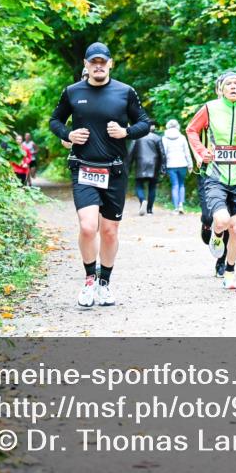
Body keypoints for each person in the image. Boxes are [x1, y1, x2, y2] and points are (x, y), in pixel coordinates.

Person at [49, 42, 151, 307]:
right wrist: (67, 135)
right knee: (87, 226)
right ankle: (89, 281)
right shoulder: (72, 92)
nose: (98, 66)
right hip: (83, 167)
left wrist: (126, 132)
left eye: (102, 62)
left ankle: (104, 283)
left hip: (114, 170)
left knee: (108, 231)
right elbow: (55, 121)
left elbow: (144, 123)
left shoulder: (125, 92)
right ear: (85, 64)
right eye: (93, 62)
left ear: (110, 64)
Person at [186, 71, 236, 289]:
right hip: (215, 176)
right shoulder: (210, 108)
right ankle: (217, 236)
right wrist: (202, 152)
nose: (233, 86)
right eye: (228, 83)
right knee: (220, 220)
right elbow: (191, 129)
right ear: (221, 88)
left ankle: (229, 271)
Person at [130, 124, 164, 215]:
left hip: (140, 164)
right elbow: (162, 154)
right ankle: (149, 210)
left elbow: (131, 153)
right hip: (154, 165)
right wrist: (163, 167)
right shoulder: (157, 138)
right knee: (152, 187)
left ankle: (142, 200)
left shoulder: (136, 138)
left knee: (139, 185)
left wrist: (128, 166)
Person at [161, 119, 192, 214]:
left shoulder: (164, 138)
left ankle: (175, 208)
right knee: (181, 184)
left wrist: (163, 166)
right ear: (177, 126)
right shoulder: (182, 137)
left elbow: (164, 153)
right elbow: (187, 152)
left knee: (175, 185)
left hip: (171, 165)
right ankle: (181, 205)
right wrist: (190, 165)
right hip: (182, 164)